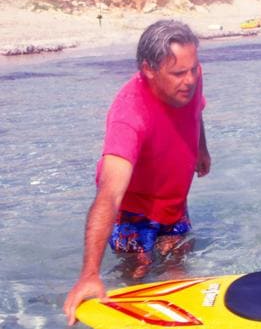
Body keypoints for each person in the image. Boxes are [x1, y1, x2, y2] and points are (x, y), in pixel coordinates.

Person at [63, 19, 211, 325]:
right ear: (148, 69)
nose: (190, 80)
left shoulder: (190, 76)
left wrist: (201, 149)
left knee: (178, 270)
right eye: (179, 73)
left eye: (193, 69)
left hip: (174, 206)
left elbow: (196, 109)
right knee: (139, 279)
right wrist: (89, 273)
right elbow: (109, 195)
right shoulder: (128, 116)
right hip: (133, 216)